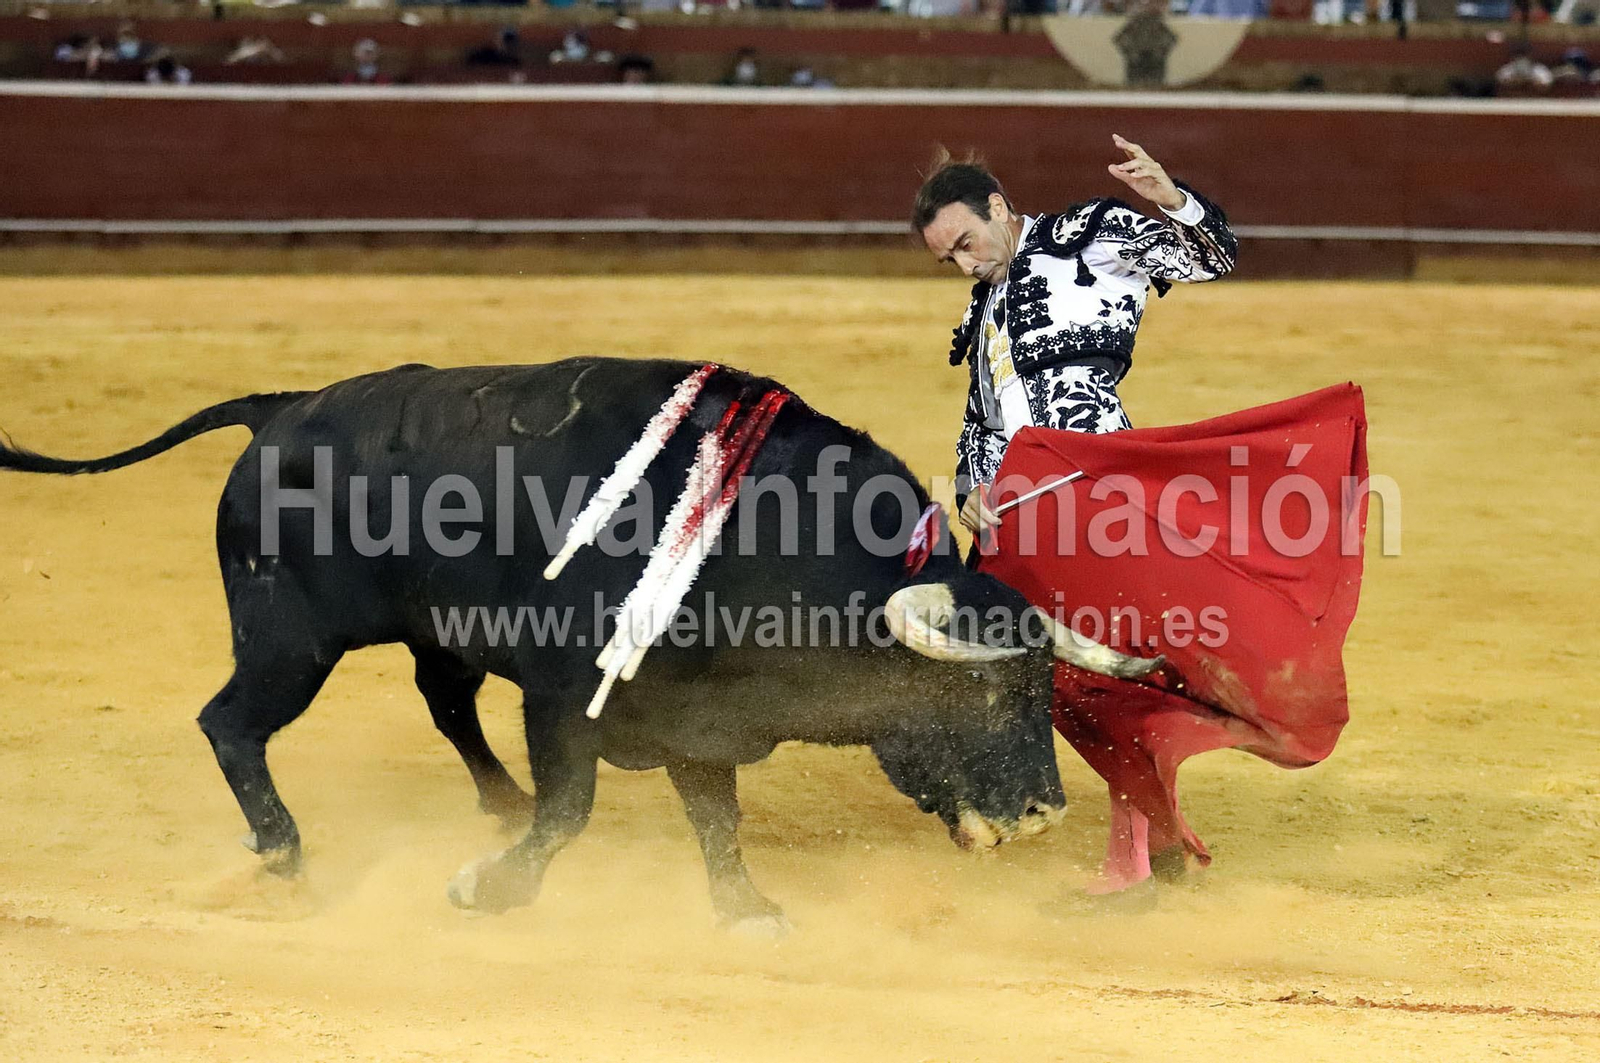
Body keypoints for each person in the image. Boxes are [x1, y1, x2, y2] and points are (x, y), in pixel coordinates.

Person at [912, 136, 1237, 537]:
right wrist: (970, 492)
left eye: (966, 244)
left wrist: (1173, 201)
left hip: (1106, 483)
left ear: (996, 208)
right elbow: (983, 423)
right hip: (1029, 508)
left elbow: (1211, 260)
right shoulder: (981, 314)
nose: (966, 266)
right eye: (951, 259)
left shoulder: (1085, 236)